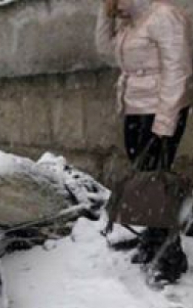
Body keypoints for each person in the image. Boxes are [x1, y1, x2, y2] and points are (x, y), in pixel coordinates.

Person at [96, 0, 193, 284]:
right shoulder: (129, 24)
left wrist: (165, 122)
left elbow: (179, 70)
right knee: (145, 177)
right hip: (134, 109)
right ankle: (153, 240)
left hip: (162, 109)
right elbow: (104, 49)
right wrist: (104, 13)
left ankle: (170, 257)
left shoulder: (164, 15)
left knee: (157, 181)